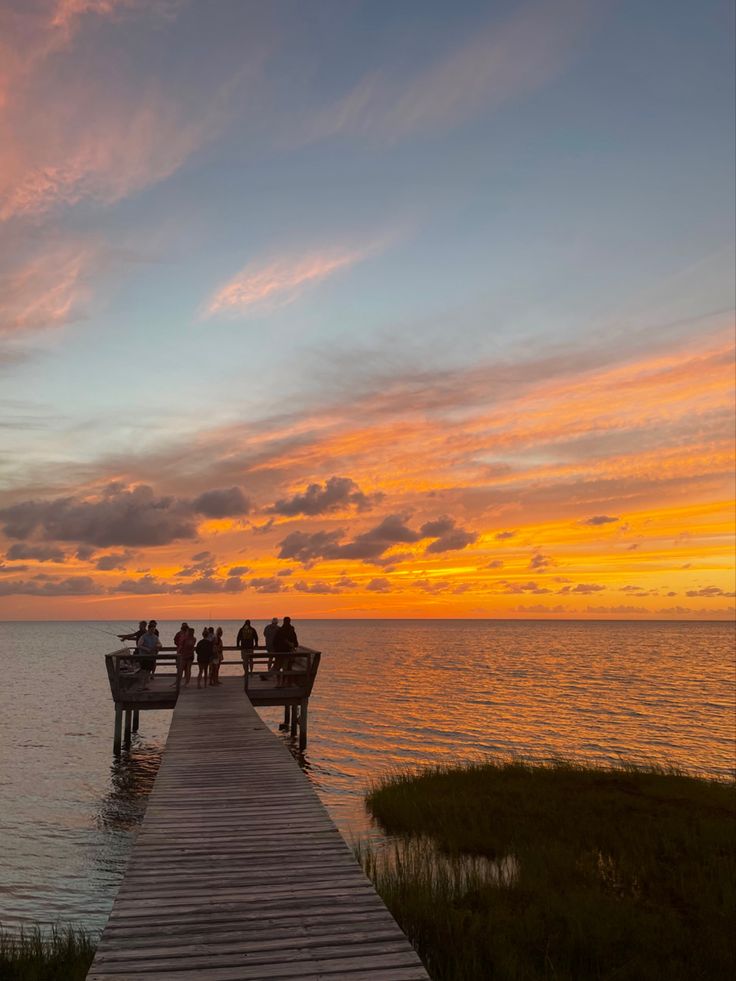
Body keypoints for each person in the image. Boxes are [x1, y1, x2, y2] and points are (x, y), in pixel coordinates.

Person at [272, 616, 298, 688]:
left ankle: (278, 683)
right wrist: (291, 644)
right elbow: (296, 643)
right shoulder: (291, 631)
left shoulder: (279, 630)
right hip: (287, 652)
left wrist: (275, 650)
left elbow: (274, 642)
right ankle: (283, 683)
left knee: (277, 667)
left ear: (283, 621)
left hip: (279, 653)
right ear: (290, 621)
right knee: (285, 668)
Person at [136, 622, 161, 689]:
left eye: (154, 630)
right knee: (143, 671)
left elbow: (160, 644)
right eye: (152, 629)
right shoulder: (143, 636)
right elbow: (139, 645)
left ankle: (144, 686)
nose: (153, 631)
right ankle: (140, 686)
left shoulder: (155, 637)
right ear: (149, 629)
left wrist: (157, 646)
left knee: (148, 671)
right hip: (144, 657)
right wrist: (146, 649)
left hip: (151, 657)